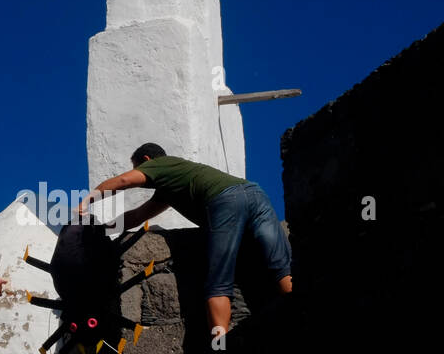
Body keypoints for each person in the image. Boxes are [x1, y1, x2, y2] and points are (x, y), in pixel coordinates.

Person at [76, 143, 293, 340]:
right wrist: (102, 230)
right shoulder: (172, 183)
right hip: (256, 194)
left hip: (226, 201)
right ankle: (299, 314)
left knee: (218, 283)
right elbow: (137, 216)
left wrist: (86, 201)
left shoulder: (160, 164)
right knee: (280, 268)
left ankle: (220, 350)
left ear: (147, 161)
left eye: (139, 167)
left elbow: (124, 181)